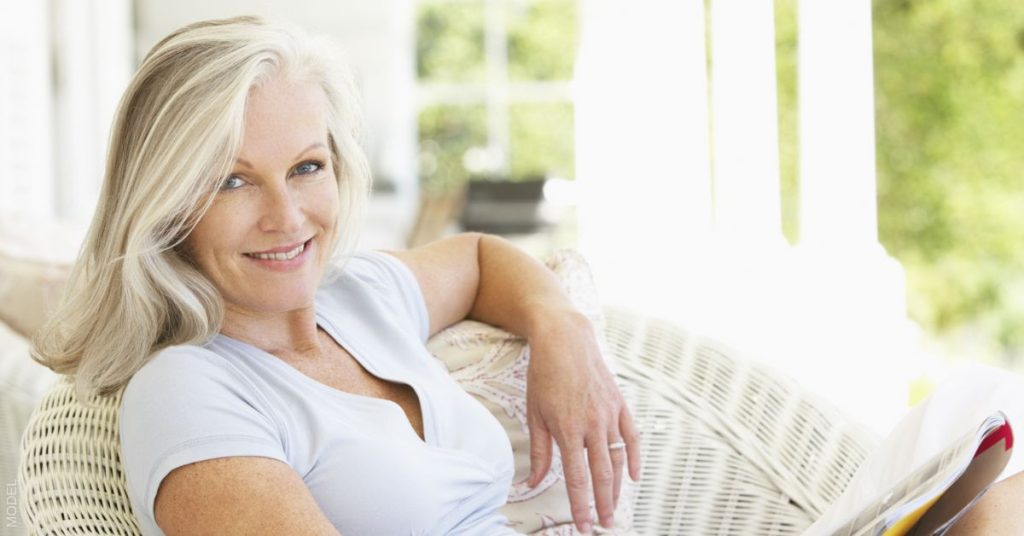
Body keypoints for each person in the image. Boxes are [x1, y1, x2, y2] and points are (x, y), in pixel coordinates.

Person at [31, 15, 639, 535]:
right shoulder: (186, 391)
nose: (287, 217)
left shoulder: (357, 297)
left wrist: (561, 326)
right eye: (231, 181)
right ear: (163, 205)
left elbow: (479, 258)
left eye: (306, 167)